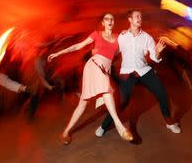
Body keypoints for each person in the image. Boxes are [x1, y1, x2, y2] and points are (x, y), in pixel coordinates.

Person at [48, 13, 133, 145]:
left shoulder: (117, 38)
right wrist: (59, 53)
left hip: (105, 69)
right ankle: (119, 126)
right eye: (107, 19)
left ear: (113, 22)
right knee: (107, 88)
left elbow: (120, 51)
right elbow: (77, 46)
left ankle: (65, 132)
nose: (110, 21)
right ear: (103, 23)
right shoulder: (96, 34)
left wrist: (127, 34)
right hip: (93, 65)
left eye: (112, 19)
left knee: (82, 103)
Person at [95, 10, 181, 138]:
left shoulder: (147, 37)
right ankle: (104, 126)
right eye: (137, 16)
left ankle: (168, 121)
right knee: (122, 102)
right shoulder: (121, 37)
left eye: (141, 16)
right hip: (127, 72)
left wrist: (157, 52)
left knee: (162, 92)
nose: (140, 18)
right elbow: (112, 50)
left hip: (144, 70)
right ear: (130, 19)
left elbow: (154, 57)